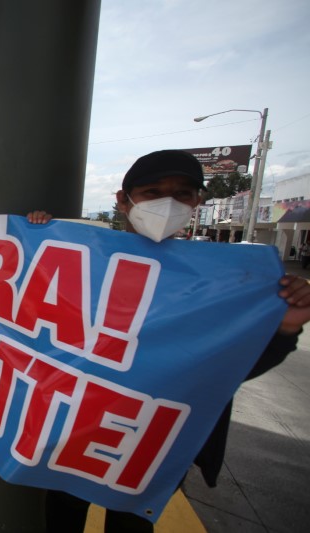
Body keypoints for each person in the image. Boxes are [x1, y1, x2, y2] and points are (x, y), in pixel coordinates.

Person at [28, 149, 310, 532]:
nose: (168, 203)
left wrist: (285, 327)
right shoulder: (82, 257)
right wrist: (33, 236)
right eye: (152, 191)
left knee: (130, 523)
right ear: (123, 201)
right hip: (76, 422)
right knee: (63, 509)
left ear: (198, 202)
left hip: (152, 439)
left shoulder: (223, 281)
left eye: (182, 193)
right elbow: (25, 320)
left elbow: (227, 369)